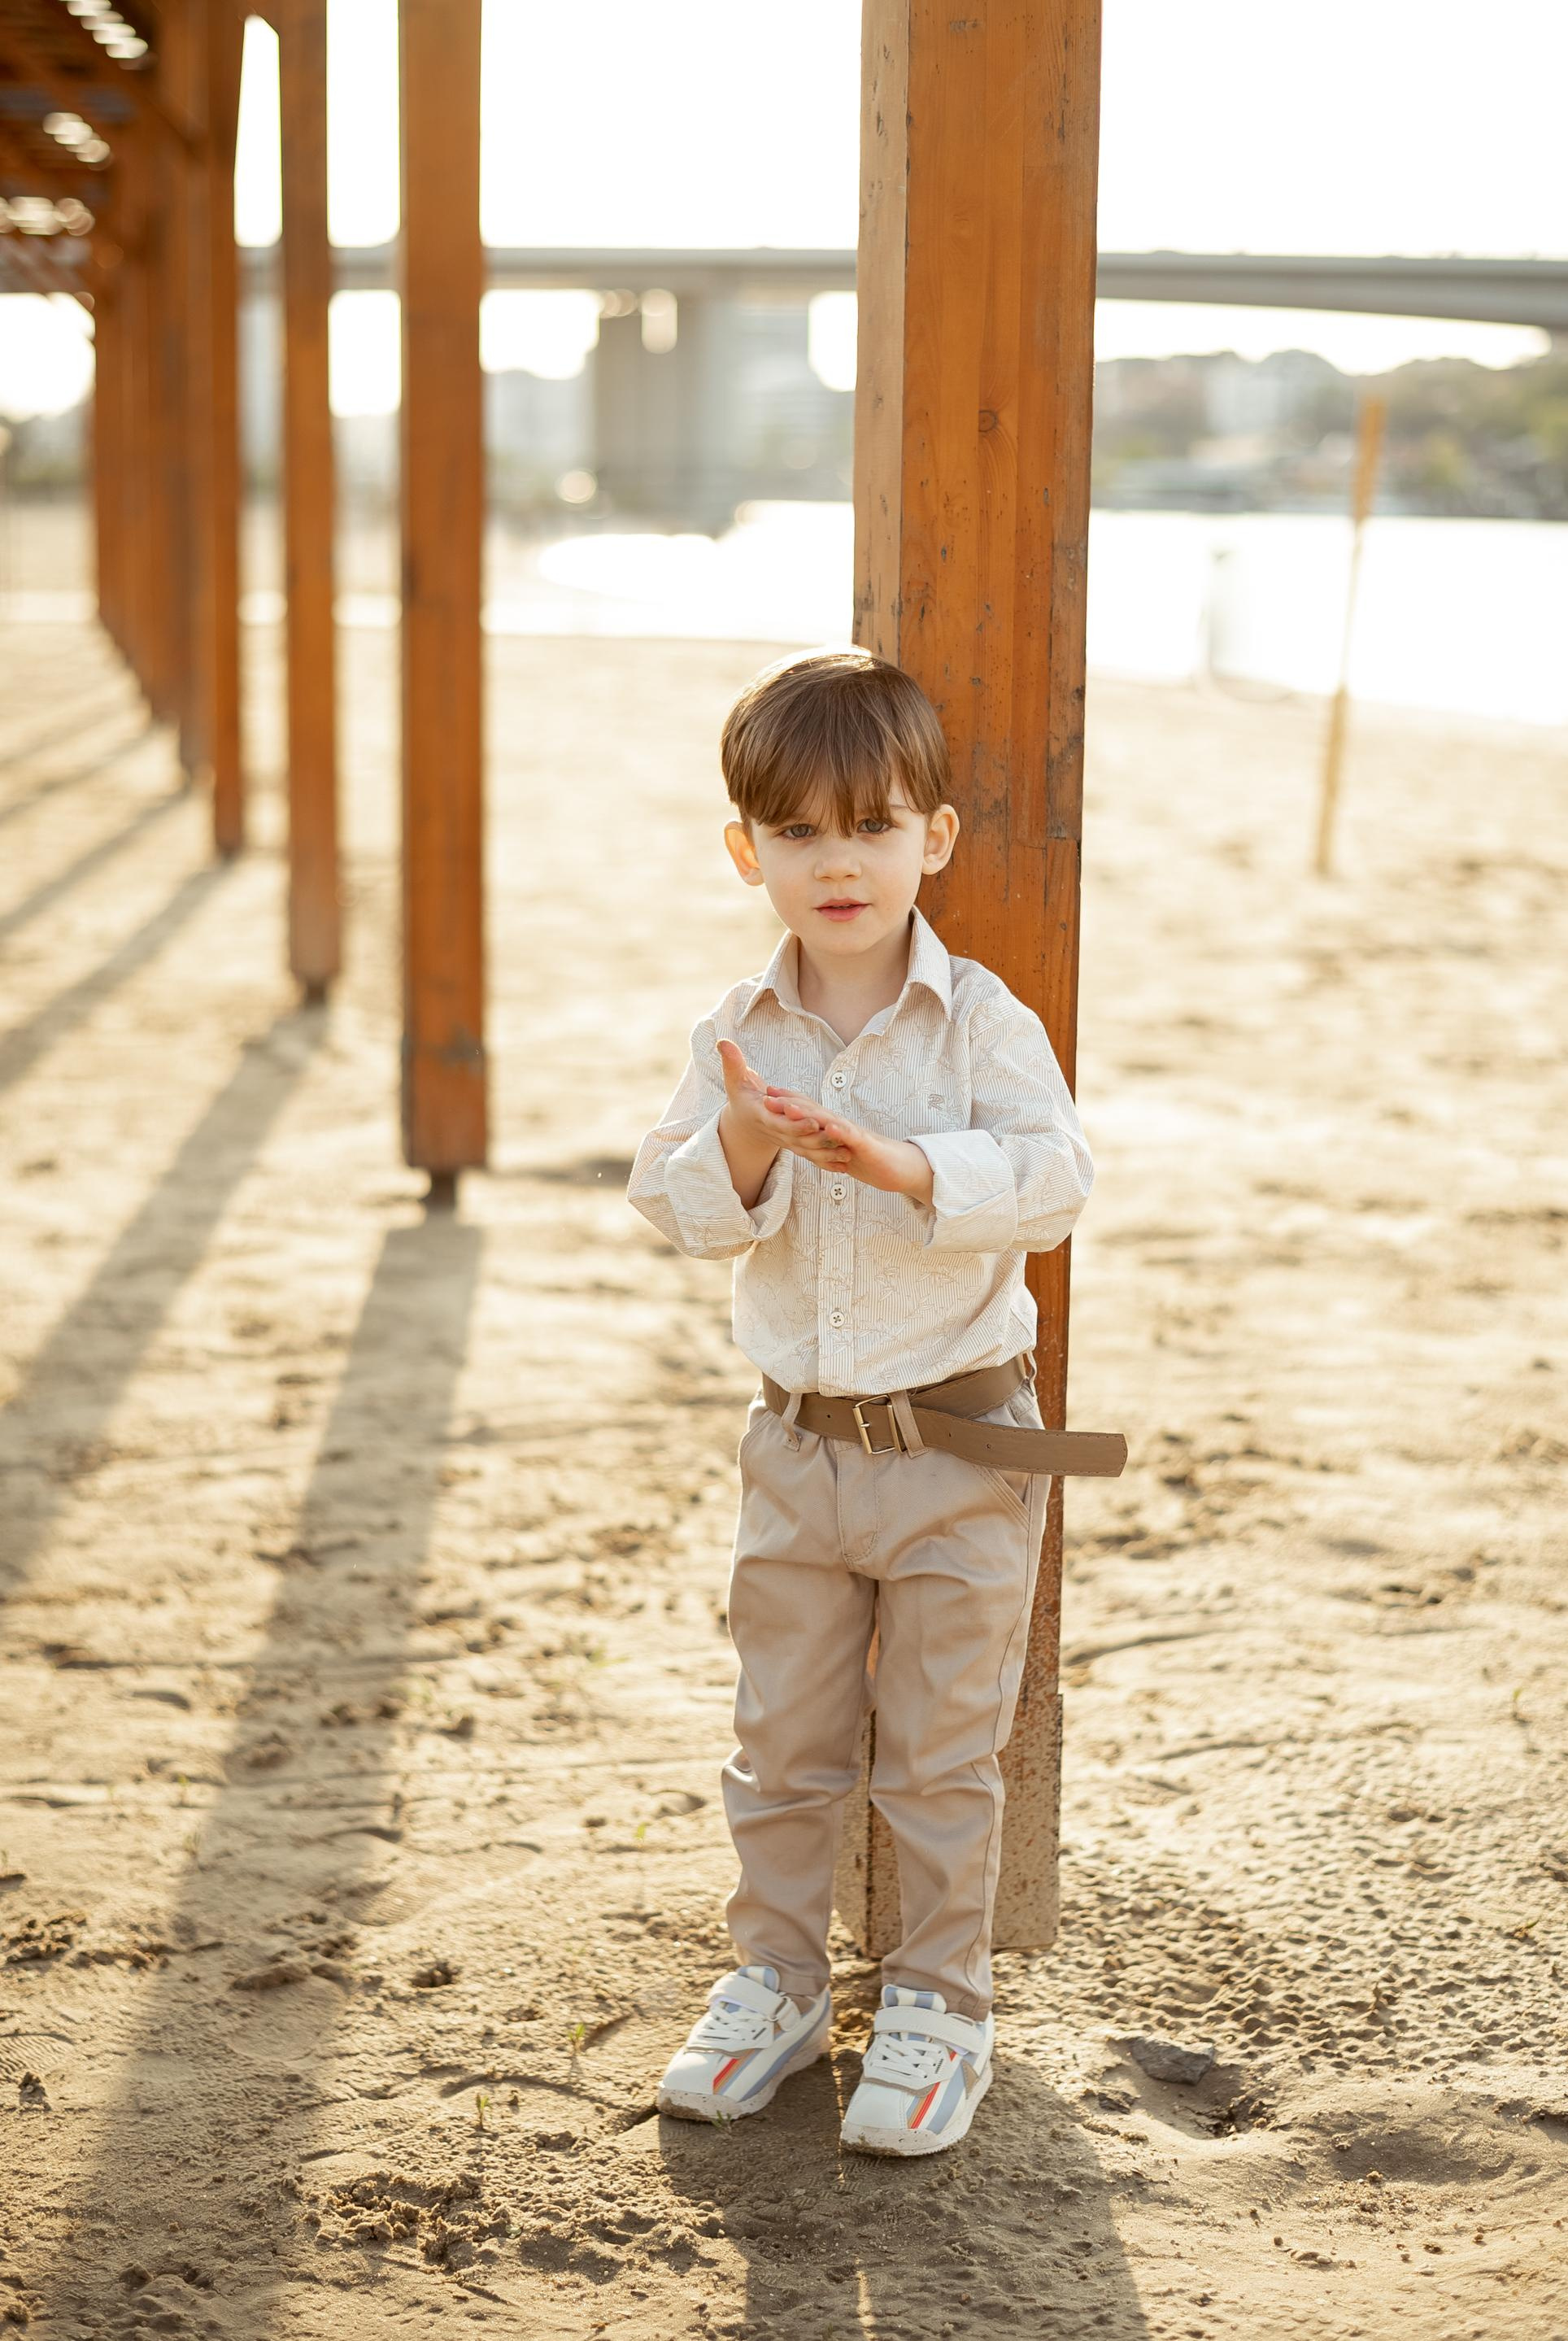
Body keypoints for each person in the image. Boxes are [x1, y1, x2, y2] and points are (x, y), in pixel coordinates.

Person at [627, 647, 1113, 2157]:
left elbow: (1058, 1175)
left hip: (963, 1450)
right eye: (797, 834)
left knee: (939, 1748)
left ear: (935, 839)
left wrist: (909, 1168)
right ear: (746, 851)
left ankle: (937, 2001)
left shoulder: (974, 1021)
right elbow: (671, 1198)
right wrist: (756, 1151)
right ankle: (773, 1975)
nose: (838, 862)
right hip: (798, 1447)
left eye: (875, 827)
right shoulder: (741, 1026)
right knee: (783, 1738)